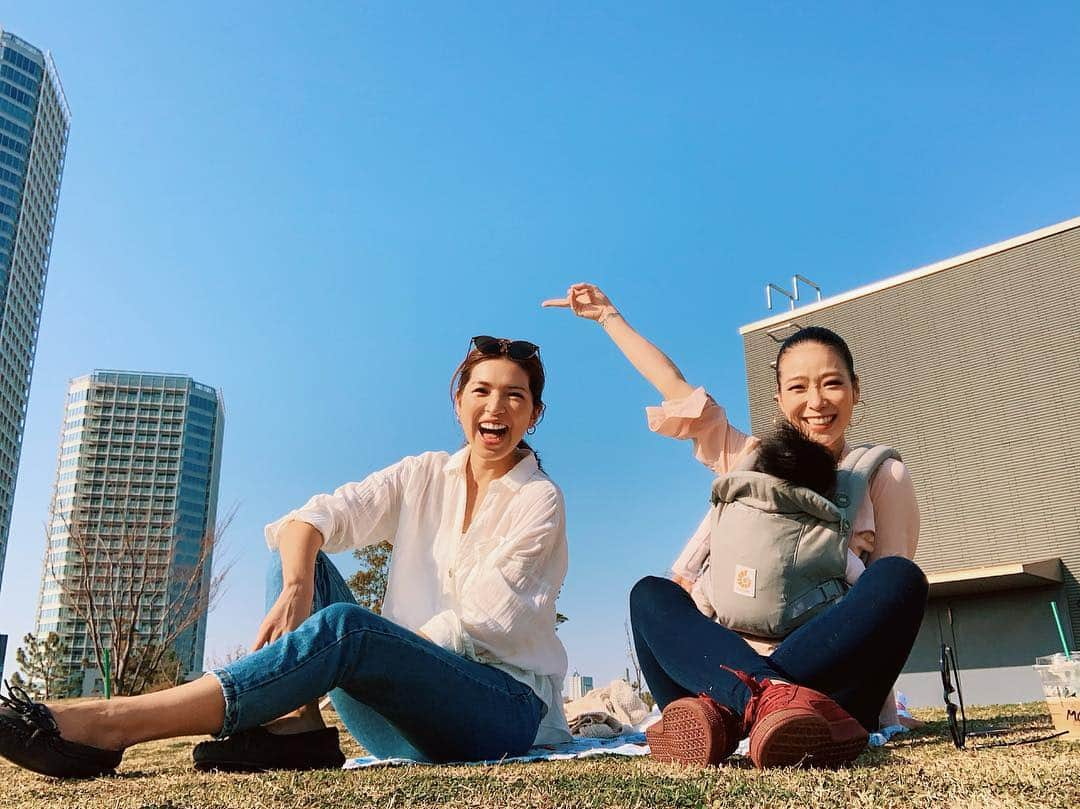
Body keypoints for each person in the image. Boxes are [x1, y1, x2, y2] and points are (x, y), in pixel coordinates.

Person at [0, 335, 572, 778]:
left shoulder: (538, 499)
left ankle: (114, 723)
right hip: (400, 722)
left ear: (533, 415)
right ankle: (295, 731)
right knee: (299, 558)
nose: (496, 407)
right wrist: (300, 591)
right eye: (482, 390)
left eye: (514, 396)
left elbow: (485, 623)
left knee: (348, 629)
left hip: (500, 714)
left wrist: (355, 646)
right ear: (458, 402)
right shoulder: (423, 474)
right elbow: (310, 518)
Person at [544, 283, 927, 769]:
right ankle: (759, 702)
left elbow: (880, 611)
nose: (816, 401)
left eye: (831, 383)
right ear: (779, 398)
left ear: (856, 390)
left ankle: (735, 714)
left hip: (827, 683)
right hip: (721, 668)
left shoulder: (879, 473)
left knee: (900, 580)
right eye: (798, 387)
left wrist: (880, 703)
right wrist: (608, 318)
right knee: (650, 595)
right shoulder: (748, 458)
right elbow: (678, 392)